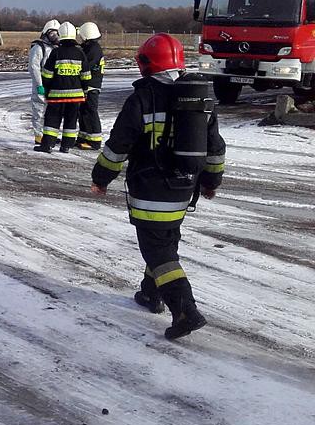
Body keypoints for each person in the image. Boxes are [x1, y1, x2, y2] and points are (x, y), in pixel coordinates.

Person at [91, 33, 225, 340]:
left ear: (146, 64)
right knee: (165, 242)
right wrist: (210, 181)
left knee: (159, 251)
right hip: (183, 191)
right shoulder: (198, 96)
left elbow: (118, 146)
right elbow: (216, 147)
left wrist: (101, 178)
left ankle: (185, 311)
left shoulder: (143, 98)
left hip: (150, 192)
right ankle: (150, 293)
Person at [35, 21, 85, 153]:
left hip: (56, 95)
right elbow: (86, 76)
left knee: (52, 120)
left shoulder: (56, 53)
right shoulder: (80, 53)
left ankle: (47, 145)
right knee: (71, 121)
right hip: (75, 97)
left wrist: (46, 89)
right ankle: (66, 146)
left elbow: (47, 74)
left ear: (60, 35)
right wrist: (83, 90)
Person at [28, 19, 60, 146]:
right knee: (39, 109)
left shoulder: (56, 49)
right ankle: (39, 135)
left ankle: (49, 135)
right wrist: (39, 84)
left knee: (51, 112)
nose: (55, 36)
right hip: (41, 85)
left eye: (57, 33)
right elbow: (34, 67)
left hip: (53, 85)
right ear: (46, 33)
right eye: (52, 33)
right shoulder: (38, 48)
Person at [76, 21, 105, 150]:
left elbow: (86, 65)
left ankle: (95, 140)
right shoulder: (90, 47)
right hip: (88, 85)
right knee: (83, 111)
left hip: (91, 86)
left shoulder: (93, 50)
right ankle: (83, 136)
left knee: (91, 111)